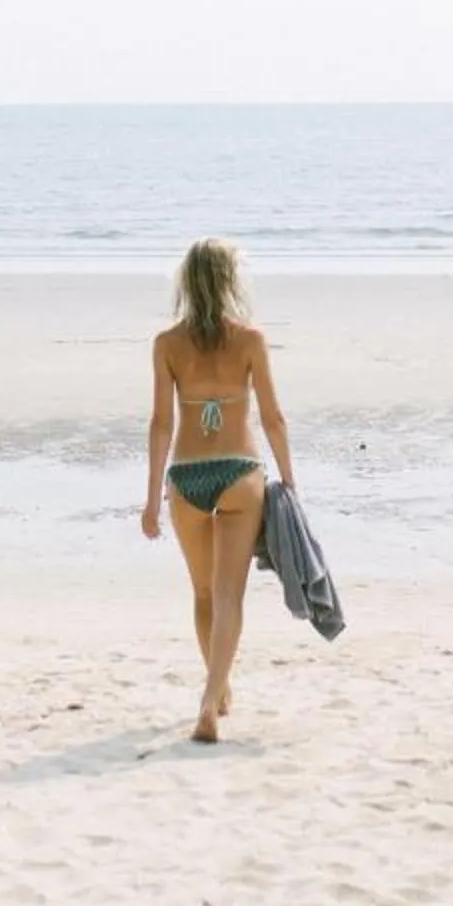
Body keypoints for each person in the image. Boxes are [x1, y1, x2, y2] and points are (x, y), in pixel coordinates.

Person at [140, 237, 294, 742]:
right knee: (230, 595)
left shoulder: (167, 344)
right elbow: (272, 417)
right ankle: (212, 696)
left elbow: (161, 423)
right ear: (230, 281)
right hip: (237, 471)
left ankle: (217, 687)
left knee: (203, 592)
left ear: (187, 282)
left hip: (186, 475)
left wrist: (149, 501)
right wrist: (289, 481)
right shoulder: (249, 339)